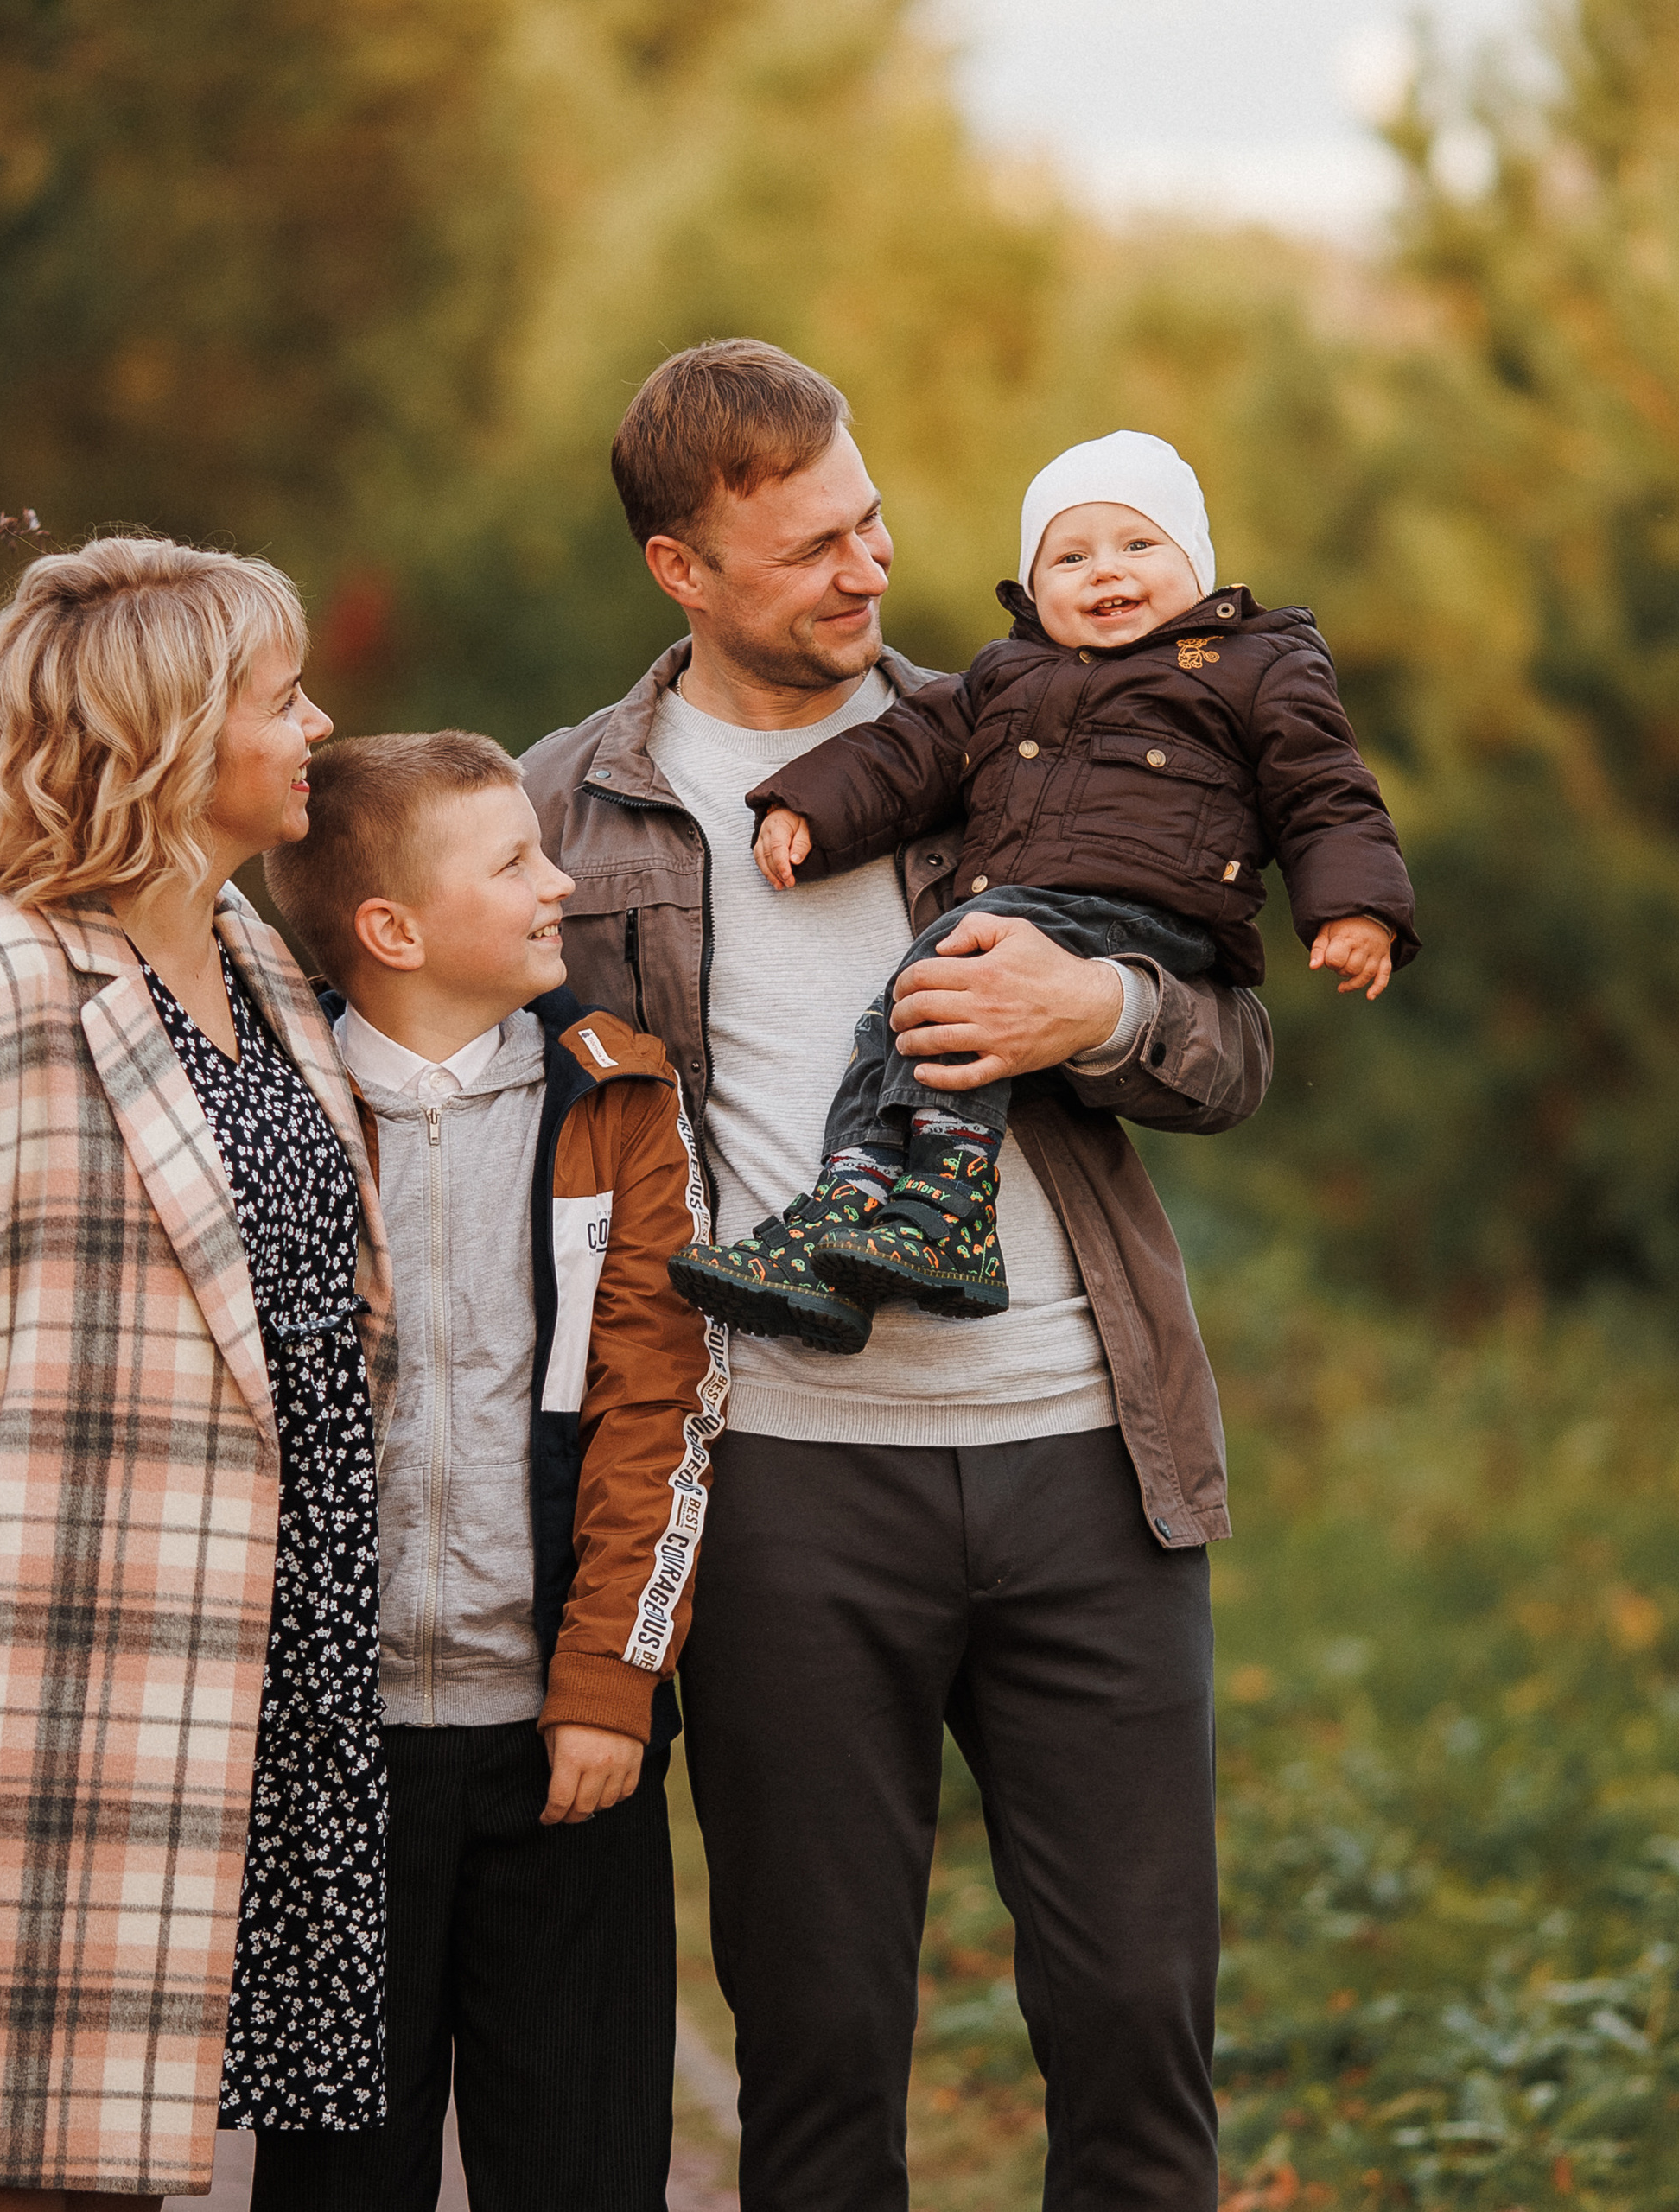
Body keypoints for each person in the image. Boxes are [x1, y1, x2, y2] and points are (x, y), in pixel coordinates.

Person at [519, 340, 1276, 2212]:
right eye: (809, 551)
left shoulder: (1038, 722)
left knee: (1133, 2025)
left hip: (1090, 1461)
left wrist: (1092, 1003)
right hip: (779, 1485)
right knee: (821, 2047)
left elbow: (1232, 1049)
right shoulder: (558, 811)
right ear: (679, 571)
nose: (869, 571)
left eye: (870, 522)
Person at [0, 537, 397, 2209]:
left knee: (116, 2139)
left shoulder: (262, 970)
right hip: (48, 1671)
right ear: (175, 739)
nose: (318, 725)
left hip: (260, 1651)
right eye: (282, 699)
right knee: (7, 2151)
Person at [258, 730, 727, 2211]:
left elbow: (665, 1405)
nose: (560, 882)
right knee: (338, 2177)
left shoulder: (620, 1102)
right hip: (335, 1758)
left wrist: (610, 1688)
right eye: (515, 860)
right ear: (393, 930)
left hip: (562, 1749)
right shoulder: (271, 1106)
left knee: (584, 2171)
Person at [670, 428, 1417, 1342]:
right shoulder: (1003, 677)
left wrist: (1354, 904)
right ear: (1033, 587)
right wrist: (804, 809)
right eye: (1070, 556)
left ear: (1197, 561)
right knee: (899, 1010)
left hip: (1147, 913)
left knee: (953, 968)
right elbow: (905, 753)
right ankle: (848, 1208)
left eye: (1138, 545)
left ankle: (949, 1200)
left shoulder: (1256, 664)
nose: (1106, 573)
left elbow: (1324, 787)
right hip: (1025, 907)